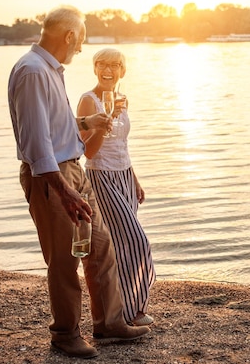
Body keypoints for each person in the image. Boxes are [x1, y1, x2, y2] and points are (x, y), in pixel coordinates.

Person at [7, 5, 150, 359]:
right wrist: (64, 190)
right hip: (52, 177)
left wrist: (88, 125)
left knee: (101, 249)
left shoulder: (50, 70)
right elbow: (38, 142)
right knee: (63, 261)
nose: (82, 49)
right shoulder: (32, 71)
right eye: (81, 39)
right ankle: (65, 334)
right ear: (69, 36)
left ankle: (109, 323)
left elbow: (57, 126)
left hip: (72, 171)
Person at [77, 48, 156, 326]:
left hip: (123, 176)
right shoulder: (88, 101)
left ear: (123, 70)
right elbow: (88, 152)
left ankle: (127, 310)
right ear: (95, 68)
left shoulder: (122, 100)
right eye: (102, 64)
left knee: (121, 245)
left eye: (114, 65)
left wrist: (134, 179)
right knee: (136, 240)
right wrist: (104, 123)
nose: (108, 70)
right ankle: (131, 311)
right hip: (101, 178)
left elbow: (123, 145)